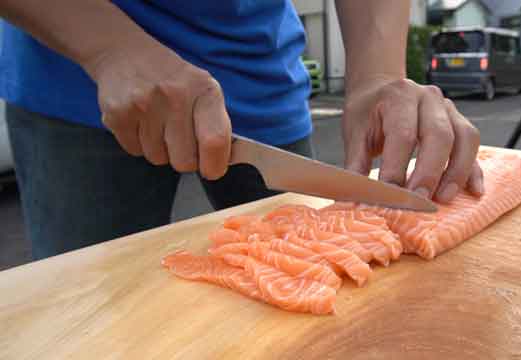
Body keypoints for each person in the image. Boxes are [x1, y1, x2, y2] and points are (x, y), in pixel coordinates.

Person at [0, 1, 483, 260]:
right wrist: (108, 48)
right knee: (90, 309)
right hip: (79, 74)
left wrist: (378, 74)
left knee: (311, 266)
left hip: (260, 68)